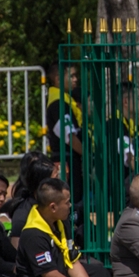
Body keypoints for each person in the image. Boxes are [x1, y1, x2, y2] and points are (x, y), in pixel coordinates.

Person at [1, 178, 117, 277]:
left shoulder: (62, 223)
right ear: (53, 207)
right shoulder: (34, 234)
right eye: (67, 202)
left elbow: (72, 261)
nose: (70, 206)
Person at [45, 62, 85, 207]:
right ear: (58, 79)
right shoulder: (58, 104)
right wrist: (86, 154)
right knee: (70, 200)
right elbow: (69, 136)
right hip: (66, 160)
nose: (75, 80)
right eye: (72, 76)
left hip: (70, 159)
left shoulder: (65, 100)